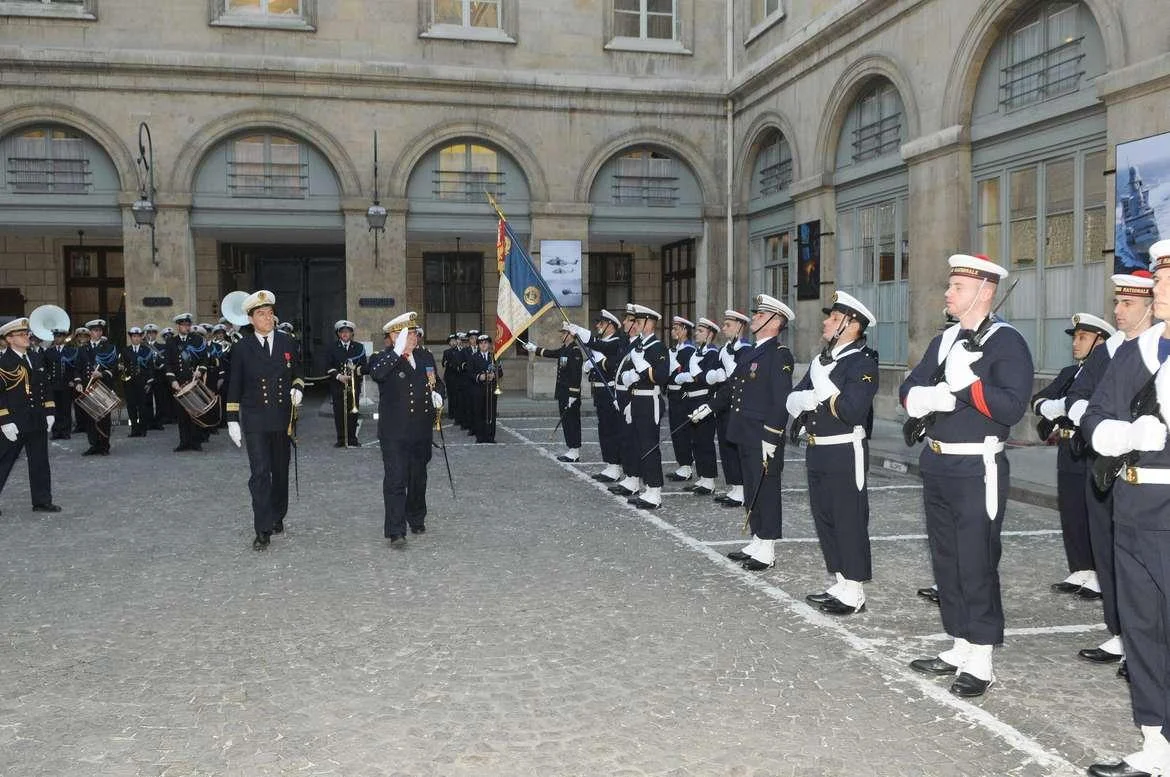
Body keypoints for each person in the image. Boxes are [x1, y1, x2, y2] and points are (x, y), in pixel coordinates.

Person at [900, 253, 1033, 699]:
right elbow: (909, 386)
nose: (948, 293)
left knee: (976, 561)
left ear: (985, 292)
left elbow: (1011, 407)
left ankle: (981, 657)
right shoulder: (946, 339)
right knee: (947, 560)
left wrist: (968, 386)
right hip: (938, 462)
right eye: (950, 285)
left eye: (957, 287)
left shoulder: (1006, 342)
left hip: (978, 466)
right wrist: (927, 398)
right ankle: (959, 642)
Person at [1083, 239, 1170, 777]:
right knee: (1141, 627)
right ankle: (1156, 741)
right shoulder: (1138, 350)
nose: (1156, 286)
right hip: (1132, 502)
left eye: (1164, 279)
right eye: (1158, 277)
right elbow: (1095, 414)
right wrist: (1118, 434)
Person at [1066, 272, 1156, 676]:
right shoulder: (1110, 351)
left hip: (1150, 473)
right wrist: (1098, 427)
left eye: (1128, 304)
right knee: (1108, 552)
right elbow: (1079, 395)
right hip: (1106, 467)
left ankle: (1146, 648)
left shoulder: (1157, 349)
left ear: (1151, 306)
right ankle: (1119, 632)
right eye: (1117, 302)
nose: (1118, 310)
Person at [788, 291, 879, 615]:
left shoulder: (863, 363)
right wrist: (810, 397)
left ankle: (855, 591)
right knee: (825, 517)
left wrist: (821, 389)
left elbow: (852, 410)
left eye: (834, 318)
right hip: (818, 449)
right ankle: (841, 581)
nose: (826, 322)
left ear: (851, 326)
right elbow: (793, 400)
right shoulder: (821, 360)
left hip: (845, 450)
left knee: (848, 518)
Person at [1032, 313, 1114, 598]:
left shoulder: (1108, 371)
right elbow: (1038, 400)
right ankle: (1080, 569)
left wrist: (1062, 407)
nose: (1075, 343)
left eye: (1082, 337)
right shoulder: (1069, 373)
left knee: (1096, 513)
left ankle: (1101, 575)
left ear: (1100, 342)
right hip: (1067, 449)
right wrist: (1054, 407)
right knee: (1072, 511)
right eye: (1075, 337)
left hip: (1090, 448)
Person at [225, 290, 304, 551]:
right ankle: (262, 528)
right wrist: (232, 419)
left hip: (282, 418)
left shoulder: (287, 342)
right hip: (256, 418)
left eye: (270, 313)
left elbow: (298, 372)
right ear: (251, 319)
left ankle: (277, 514)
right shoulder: (242, 348)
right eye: (261, 314)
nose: (268, 318)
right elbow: (234, 384)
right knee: (260, 473)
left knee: (280, 472)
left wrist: (298, 388)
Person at [369, 312, 445, 545]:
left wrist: (438, 395)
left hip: (420, 430)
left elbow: (437, 382)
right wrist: (398, 352)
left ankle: (416, 517)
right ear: (394, 336)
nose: (414, 336)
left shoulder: (425, 356)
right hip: (394, 432)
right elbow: (377, 374)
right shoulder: (383, 358)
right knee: (396, 479)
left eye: (414, 332)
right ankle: (396, 530)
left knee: (418, 477)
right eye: (408, 333)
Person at [0, 317, 60, 513]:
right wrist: (4, 420)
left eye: (27, 334)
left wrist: (49, 411)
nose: (27, 337)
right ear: (9, 339)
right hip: (14, 421)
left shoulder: (35, 357)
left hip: (37, 417)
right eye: (21, 334)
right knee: (4, 461)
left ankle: (42, 501)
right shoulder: (4, 362)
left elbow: (45, 386)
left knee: (40, 461)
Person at [524, 322, 584, 461]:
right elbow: (551, 353)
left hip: (570, 394)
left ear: (570, 335)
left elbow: (576, 375)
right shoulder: (565, 349)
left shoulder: (575, 351)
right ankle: (571, 449)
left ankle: (575, 451)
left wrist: (573, 394)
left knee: (572, 422)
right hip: (563, 393)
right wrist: (534, 349)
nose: (561, 335)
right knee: (566, 422)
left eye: (563, 333)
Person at [713, 309, 753, 507]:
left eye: (728, 325)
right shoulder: (725, 349)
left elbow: (740, 377)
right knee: (725, 446)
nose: (723, 328)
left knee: (736, 447)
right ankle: (735, 486)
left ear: (739, 327)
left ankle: (743, 488)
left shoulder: (746, 350)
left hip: (738, 405)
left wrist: (728, 364)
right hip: (723, 404)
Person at [681, 317, 723, 496]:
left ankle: (709, 480)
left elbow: (705, 378)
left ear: (710, 335)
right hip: (691, 400)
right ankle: (702, 477)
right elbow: (686, 374)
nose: (696, 333)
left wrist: (693, 374)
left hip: (703, 400)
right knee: (696, 441)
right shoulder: (696, 352)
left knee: (705, 441)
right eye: (697, 330)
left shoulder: (712, 353)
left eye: (700, 331)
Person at [74, 319, 118, 456]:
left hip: (102, 386)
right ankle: (94, 445)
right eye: (94, 330)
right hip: (88, 387)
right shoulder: (83, 349)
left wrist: (102, 374)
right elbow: (77, 368)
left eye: (99, 330)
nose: (97, 333)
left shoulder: (109, 348)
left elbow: (115, 367)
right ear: (90, 332)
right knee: (90, 418)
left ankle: (104, 445)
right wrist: (78, 382)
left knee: (104, 417)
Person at [166, 313, 209, 452]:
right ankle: (184, 442)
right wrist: (173, 381)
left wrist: (200, 371)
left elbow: (205, 359)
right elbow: (168, 364)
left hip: (194, 381)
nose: (187, 327)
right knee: (182, 413)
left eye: (188, 325)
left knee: (195, 412)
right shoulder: (171, 342)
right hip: (179, 382)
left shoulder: (197, 339)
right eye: (184, 325)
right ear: (178, 326)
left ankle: (196, 442)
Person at [326, 319, 367, 448]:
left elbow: (364, 365)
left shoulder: (359, 347)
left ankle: (352, 438)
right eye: (342, 332)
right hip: (338, 385)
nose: (345, 334)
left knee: (353, 412)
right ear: (338, 334)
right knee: (339, 412)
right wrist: (339, 376)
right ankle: (341, 439)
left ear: (352, 333)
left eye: (347, 332)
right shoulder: (332, 347)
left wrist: (355, 372)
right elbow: (328, 366)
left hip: (354, 385)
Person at [666, 316, 697, 482]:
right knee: (675, 431)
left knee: (682, 432)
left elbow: (687, 373)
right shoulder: (675, 350)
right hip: (672, 394)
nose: (673, 331)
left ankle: (686, 467)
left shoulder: (689, 350)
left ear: (685, 330)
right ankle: (682, 464)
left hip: (682, 395)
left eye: (676, 328)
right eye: (673, 328)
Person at [121, 326, 155, 437]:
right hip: (129, 383)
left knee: (142, 407)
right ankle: (134, 429)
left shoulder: (146, 350)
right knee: (131, 407)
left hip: (142, 383)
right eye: (134, 336)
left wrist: (149, 382)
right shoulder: (125, 350)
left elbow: (150, 367)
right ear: (131, 337)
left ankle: (143, 429)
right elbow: (122, 366)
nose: (136, 338)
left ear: (141, 337)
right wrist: (123, 379)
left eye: (138, 336)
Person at [469, 333, 501, 443]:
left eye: (485, 343)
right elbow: (469, 373)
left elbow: (500, 372)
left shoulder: (494, 357)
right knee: (479, 413)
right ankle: (480, 437)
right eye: (481, 343)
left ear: (489, 345)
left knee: (491, 413)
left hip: (491, 389)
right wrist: (479, 376)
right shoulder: (473, 357)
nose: (483, 345)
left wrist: (494, 375)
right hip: (478, 389)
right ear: (478, 345)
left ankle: (490, 436)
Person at [44, 326, 74, 440]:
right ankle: (56, 431)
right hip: (53, 385)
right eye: (56, 336)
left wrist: (73, 380)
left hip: (66, 384)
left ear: (64, 337)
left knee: (66, 409)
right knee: (55, 409)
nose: (57, 338)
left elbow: (73, 368)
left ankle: (66, 431)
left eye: (60, 336)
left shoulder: (70, 351)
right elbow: (45, 367)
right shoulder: (49, 351)